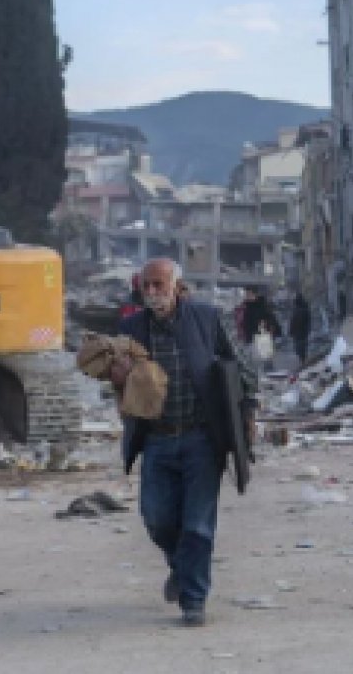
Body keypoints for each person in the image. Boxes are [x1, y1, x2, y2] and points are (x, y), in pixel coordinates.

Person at [113, 257, 242, 627]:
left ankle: (194, 599)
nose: (152, 292)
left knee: (198, 525)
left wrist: (245, 415)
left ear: (177, 287)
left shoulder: (206, 318)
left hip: (201, 439)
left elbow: (236, 367)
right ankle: (181, 566)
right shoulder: (131, 329)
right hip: (157, 439)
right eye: (146, 286)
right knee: (157, 519)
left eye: (159, 284)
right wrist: (118, 377)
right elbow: (117, 383)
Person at [289, 292, 312, 363]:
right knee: (302, 346)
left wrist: (291, 330)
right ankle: (303, 358)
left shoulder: (297, 309)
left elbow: (292, 320)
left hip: (298, 330)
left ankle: (302, 359)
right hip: (302, 330)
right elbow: (308, 320)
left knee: (299, 346)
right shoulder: (304, 308)